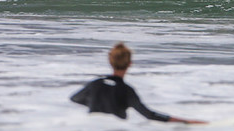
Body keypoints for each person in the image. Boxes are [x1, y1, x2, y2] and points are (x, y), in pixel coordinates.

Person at [70, 42, 204, 124]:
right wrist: (186, 121)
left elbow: (74, 99)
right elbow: (149, 115)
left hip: (91, 130)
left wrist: (97, 102)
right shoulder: (126, 90)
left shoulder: (95, 84)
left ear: (110, 62)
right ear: (129, 64)